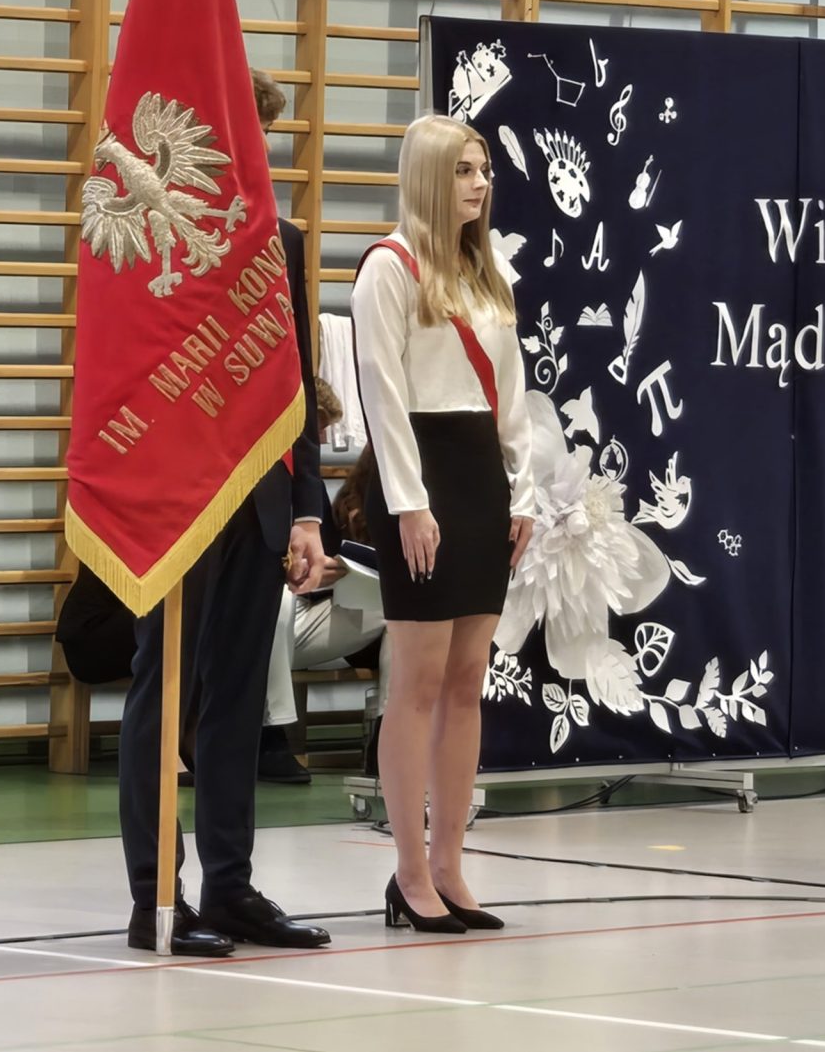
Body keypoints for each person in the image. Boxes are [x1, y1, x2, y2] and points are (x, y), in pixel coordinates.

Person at [115, 68, 333, 958]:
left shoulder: (281, 238)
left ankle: (230, 886)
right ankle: (155, 898)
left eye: (266, 132)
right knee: (162, 691)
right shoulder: (155, 231)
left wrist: (309, 511)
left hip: (259, 498)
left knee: (239, 697)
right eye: (246, 129)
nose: (258, 148)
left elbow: (297, 385)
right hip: (175, 497)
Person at [351, 113, 535, 934]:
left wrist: (524, 494)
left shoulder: (487, 272)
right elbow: (382, 395)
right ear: (429, 175)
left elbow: (513, 396)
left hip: (481, 479)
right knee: (417, 683)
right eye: (465, 169)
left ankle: (453, 863)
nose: (481, 182)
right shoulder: (388, 269)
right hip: (420, 480)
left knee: (467, 681)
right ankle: (410, 868)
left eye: (485, 168)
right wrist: (408, 500)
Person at [261, 435, 387, 783]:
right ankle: (270, 733)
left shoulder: (308, 485)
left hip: (311, 611)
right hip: (261, 619)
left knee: (401, 608)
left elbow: (328, 556)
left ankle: (387, 730)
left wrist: (332, 571)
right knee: (276, 600)